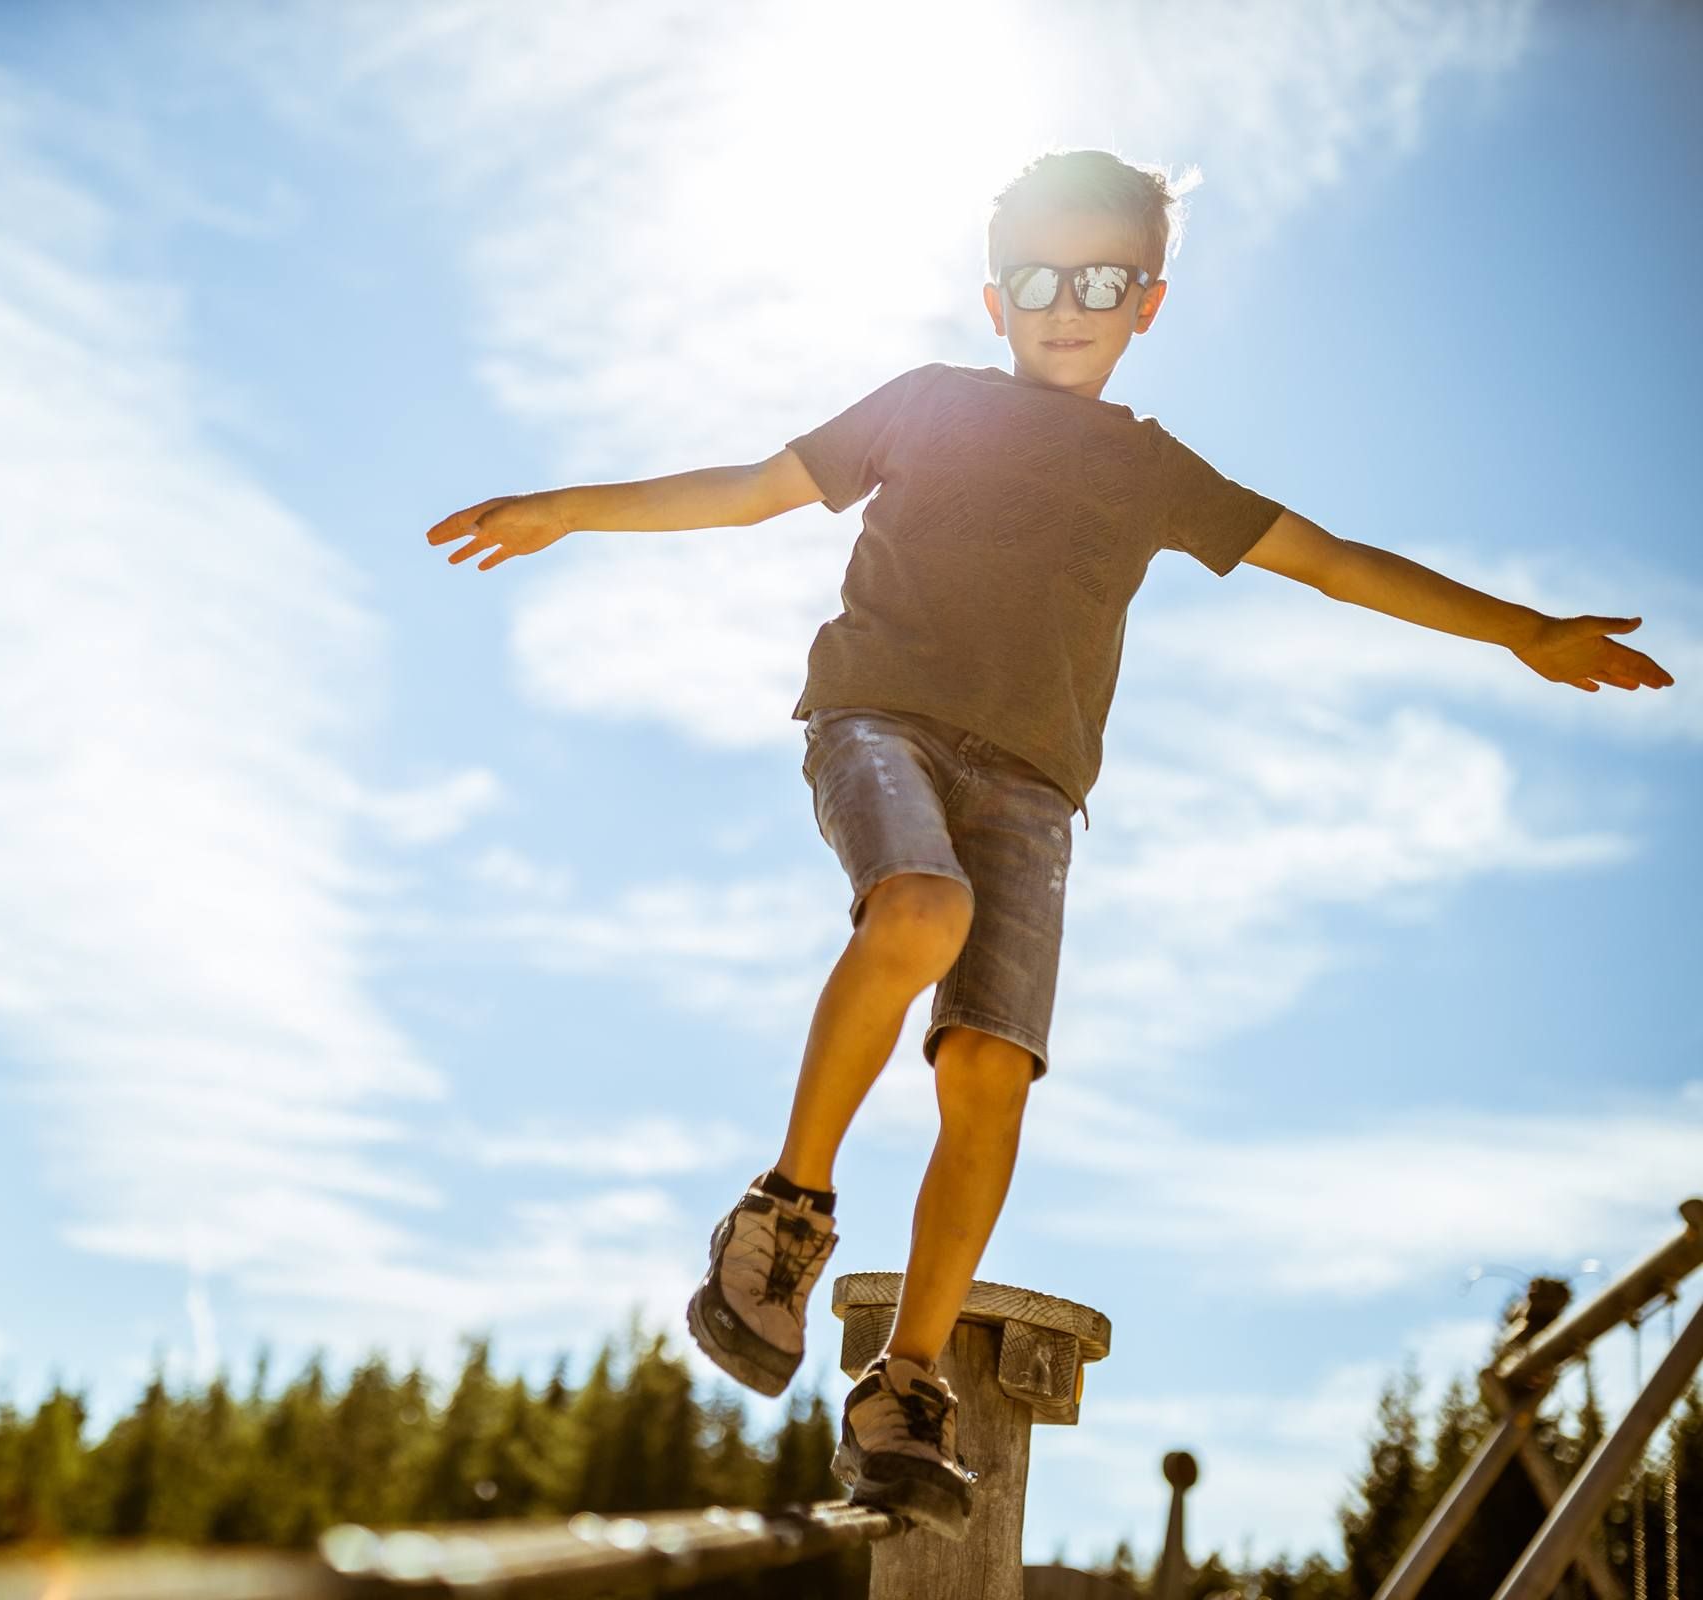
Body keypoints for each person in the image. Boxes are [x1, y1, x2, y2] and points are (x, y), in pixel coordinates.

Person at [420, 148, 1672, 1538]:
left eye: (1100, 281)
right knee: (919, 909)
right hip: (879, 722)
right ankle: (783, 1211)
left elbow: (1329, 561)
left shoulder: (1150, 470)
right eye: (1035, 280)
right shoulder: (928, 404)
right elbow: (755, 486)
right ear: (991, 297)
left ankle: (904, 1389)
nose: (1065, 306)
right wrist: (569, 508)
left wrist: (1522, 631)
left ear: (1147, 303)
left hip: (1032, 791)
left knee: (992, 1072)